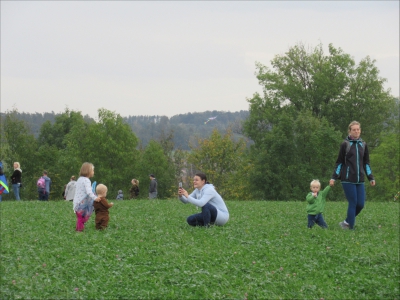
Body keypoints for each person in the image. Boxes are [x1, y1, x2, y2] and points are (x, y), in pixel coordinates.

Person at [330, 121, 375, 230]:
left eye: (358, 129)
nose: (356, 131)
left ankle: (346, 222)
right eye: (354, 129)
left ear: (360, 130)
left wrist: (371, 177)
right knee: (353, 203)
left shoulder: (363, 144)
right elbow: (339, 162)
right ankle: (351, 228)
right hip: (347, 179)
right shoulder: (345, 144)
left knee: (360, 204)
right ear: (350, 131)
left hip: (360, 179)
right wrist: (334, 177)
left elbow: (366, 163)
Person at [73, 162, 101, 232]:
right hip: (82, 203)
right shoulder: (87, 180)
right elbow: (89, 192)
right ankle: (80, 230)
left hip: (77, 202)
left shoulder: (79, 179)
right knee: (81, 217)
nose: (93, 172)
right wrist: (95, 198)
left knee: (79, 217)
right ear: (88, 171)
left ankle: (78, 229)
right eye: (92, 170)